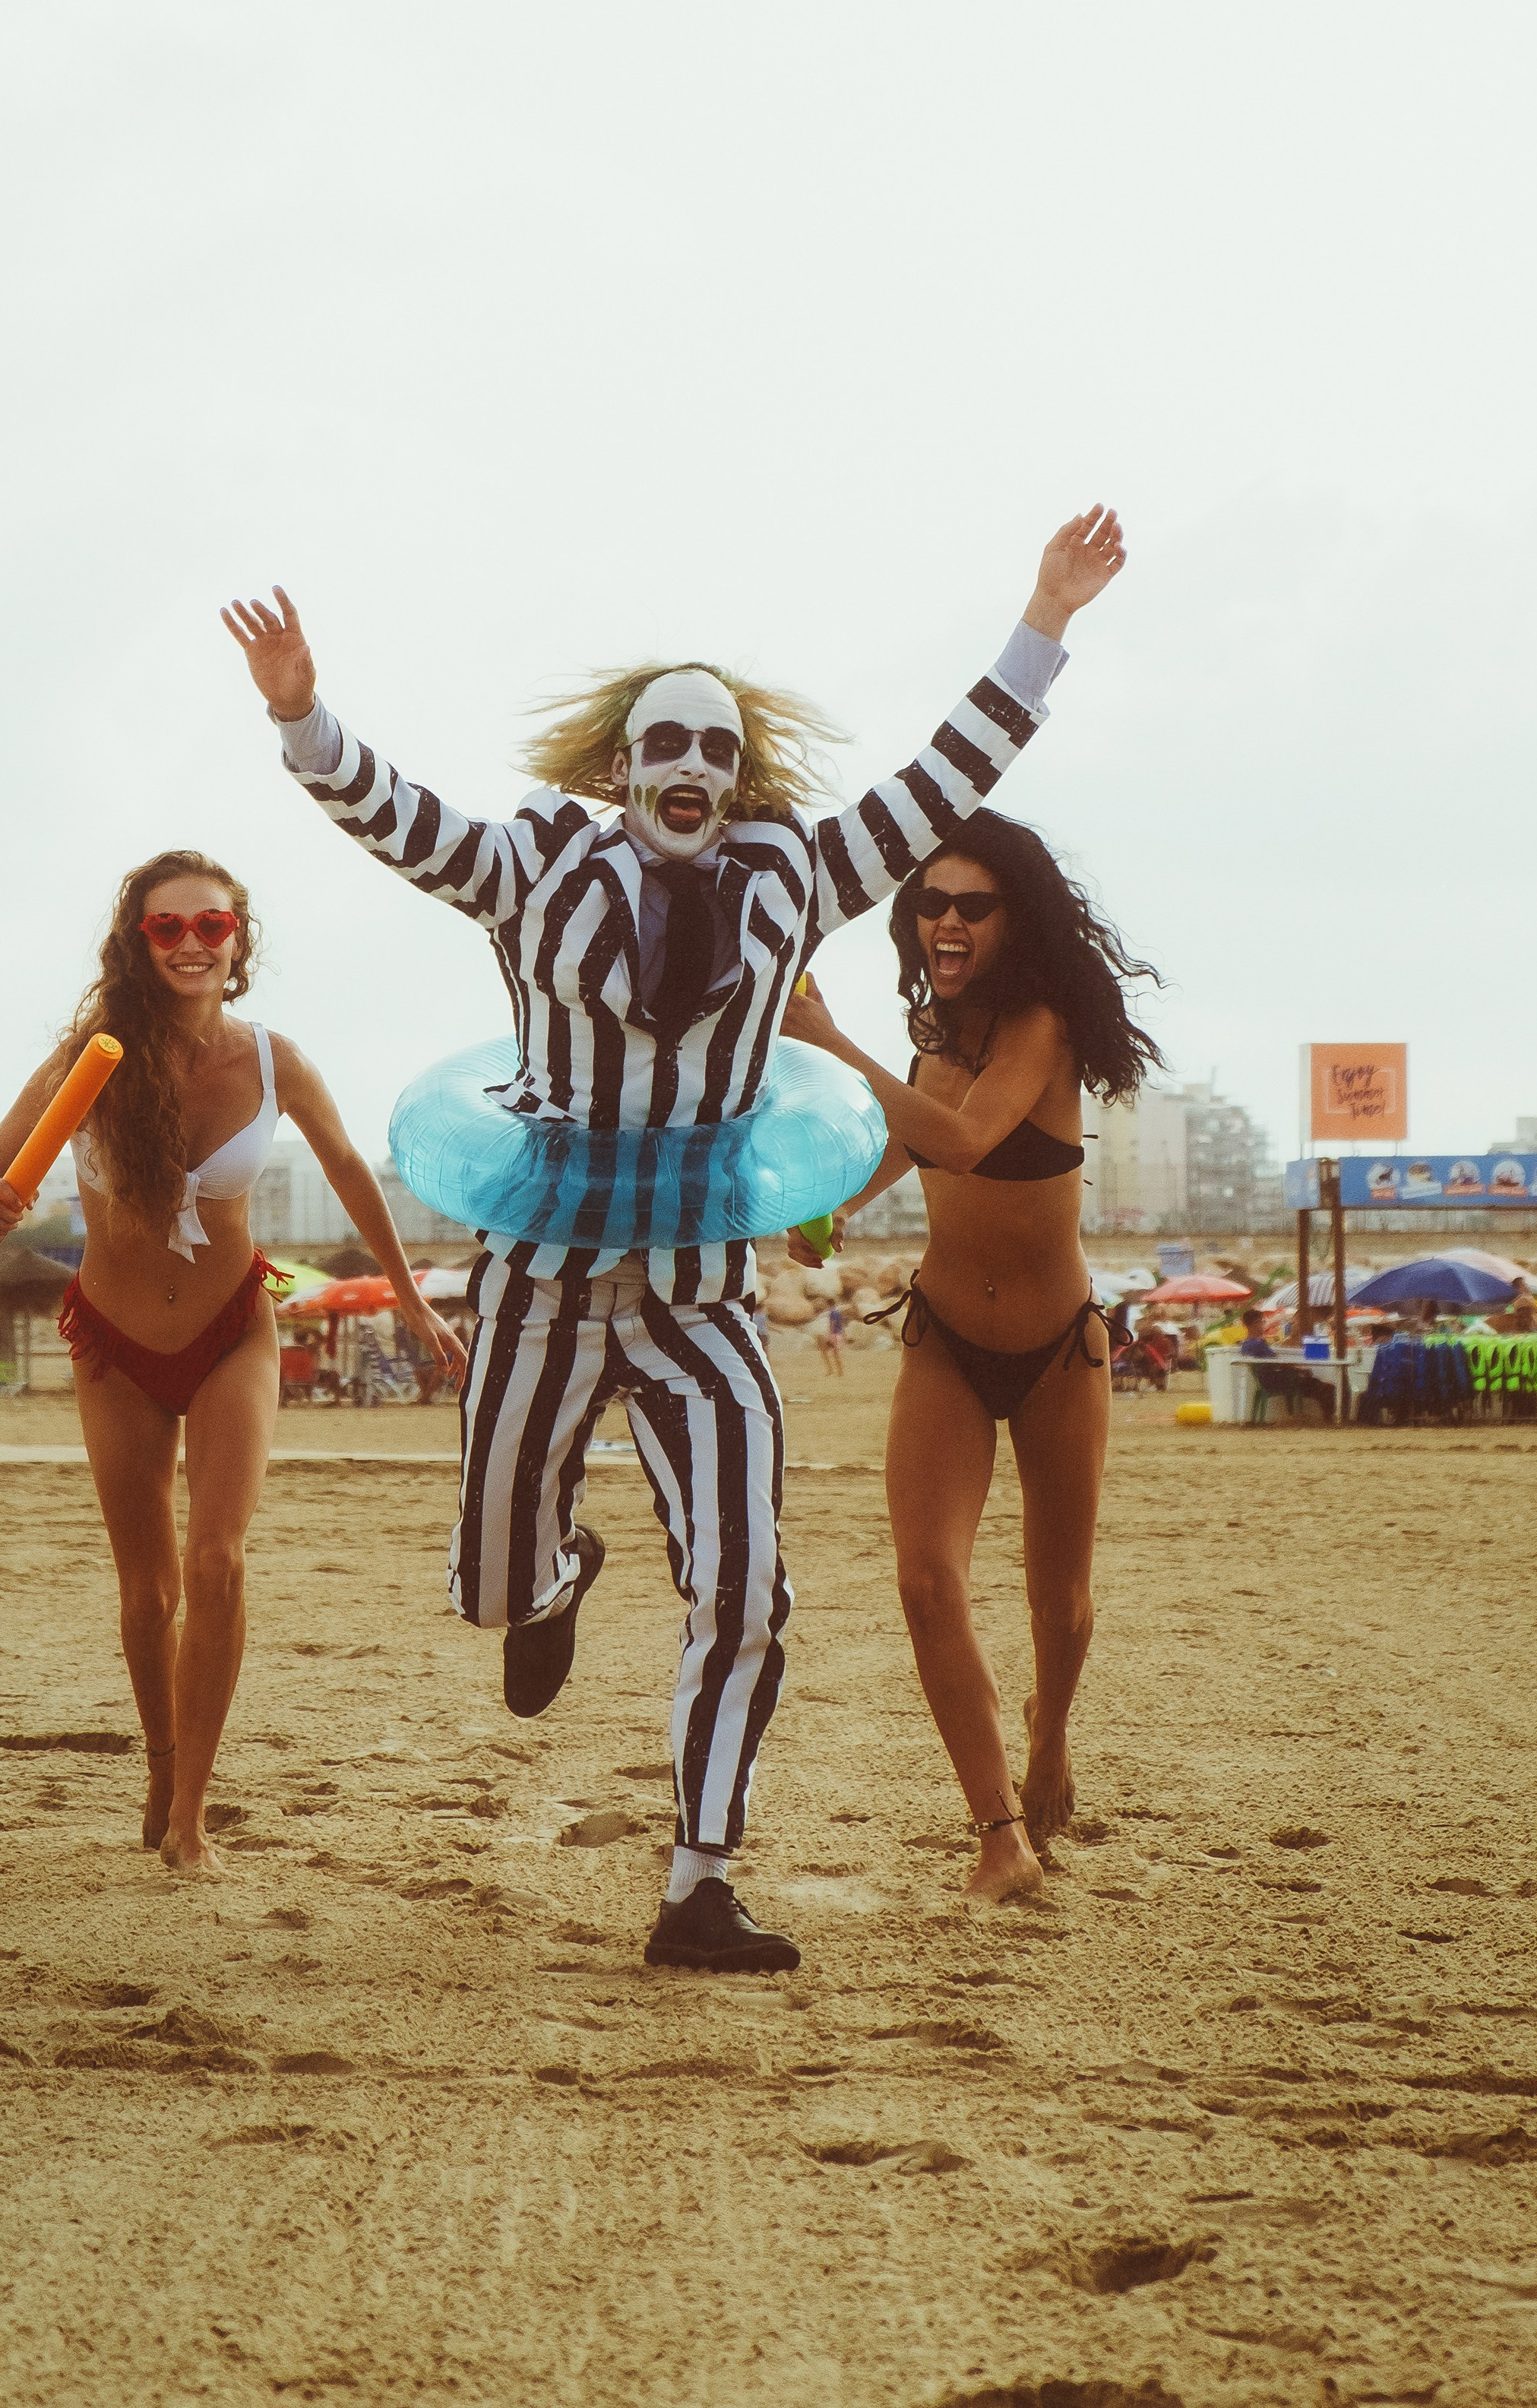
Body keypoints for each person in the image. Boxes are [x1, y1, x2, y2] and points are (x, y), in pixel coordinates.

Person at [224, 507, 1126, 1969]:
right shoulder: (531, 872)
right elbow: (399, 821)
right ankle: (551, 1575)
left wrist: (1044, 619)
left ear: (736, 774)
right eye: (667, 748)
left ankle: (698, 1881)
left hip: (702, 1289)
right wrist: (301, 713)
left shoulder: (795, 878)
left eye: (716, 751)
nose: (693, 772)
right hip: (545, 1279)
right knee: (491, 1580)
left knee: (747, 1583)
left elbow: (944, 774)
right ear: (622, 769)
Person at [0, 850, 465, 1876]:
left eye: (211, 926)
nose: (191, 943)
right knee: (146, 1594)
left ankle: (191, 1813)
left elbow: (353, 1170)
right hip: (111, 1341)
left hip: (236, 1325)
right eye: (167, 928)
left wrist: (409, 1295)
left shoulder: (274, 1061)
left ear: (239, 940)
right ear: (136, 944)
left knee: (217, 1559)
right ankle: (159, 1758)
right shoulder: (82, 1060)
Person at [778, 807, 1159, 1903]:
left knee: (1062, 1604)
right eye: (929, 903)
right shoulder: (930, 1047)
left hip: (1057, 1349)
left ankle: (1049, 1738)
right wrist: (815, 1210)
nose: (944, 920)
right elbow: (891, 1157)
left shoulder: (1041, 1028)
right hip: (943, 1337)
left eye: (970, 906)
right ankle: (999, 1836)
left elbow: (960, 1139)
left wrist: (832, 1040)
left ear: (1015, 920)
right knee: (924, 1581)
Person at [1238, 1306, 1336, 1422]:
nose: (1263, 1325)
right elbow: (1276, 1363)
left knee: (1318, 1385)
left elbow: (1273, 1363)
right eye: (1262, 1322)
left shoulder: (1247, 1345)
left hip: (1269, 1379)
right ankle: (1329, 1418)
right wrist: (1299, 1370)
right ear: (1255, 1324)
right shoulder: (1258, 1345)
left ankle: (1327, 1416)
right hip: (1279, 1380)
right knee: (1326, 1387)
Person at [816, 1299, 848, 1378]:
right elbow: (842, 1324)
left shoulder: (832, 1313)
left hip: (834, 1335)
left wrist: (829, 1334)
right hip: (839, 1334)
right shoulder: (838, 1313)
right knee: (833, 1353)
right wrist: (844, 1335)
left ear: (828, 1304)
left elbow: (833, 1323)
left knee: (827, 1352)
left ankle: (831, 1370)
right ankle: (839, 1371)